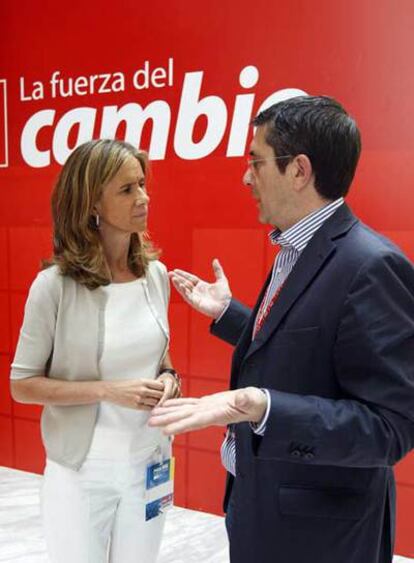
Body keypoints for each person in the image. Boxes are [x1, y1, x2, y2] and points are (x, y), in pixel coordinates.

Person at [149, 96, 414, 563]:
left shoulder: (371, 266)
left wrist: (260, 406)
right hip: (265, 514)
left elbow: (387, 429)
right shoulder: (297, 248)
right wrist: (231, 314)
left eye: (257, 161)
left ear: (299, 171)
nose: (246, 176)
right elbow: (308, 345)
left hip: (320, 539)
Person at [10, 139, 180, 563]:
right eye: (126, 190)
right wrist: (107, 391)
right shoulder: (54, 287)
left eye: (142, 184)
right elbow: (22, 385)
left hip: (150, 463)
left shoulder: (154, 275)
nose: (143, 197)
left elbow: (161, 357)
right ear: (92, 205)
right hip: (81, 472)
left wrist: (169, 380)